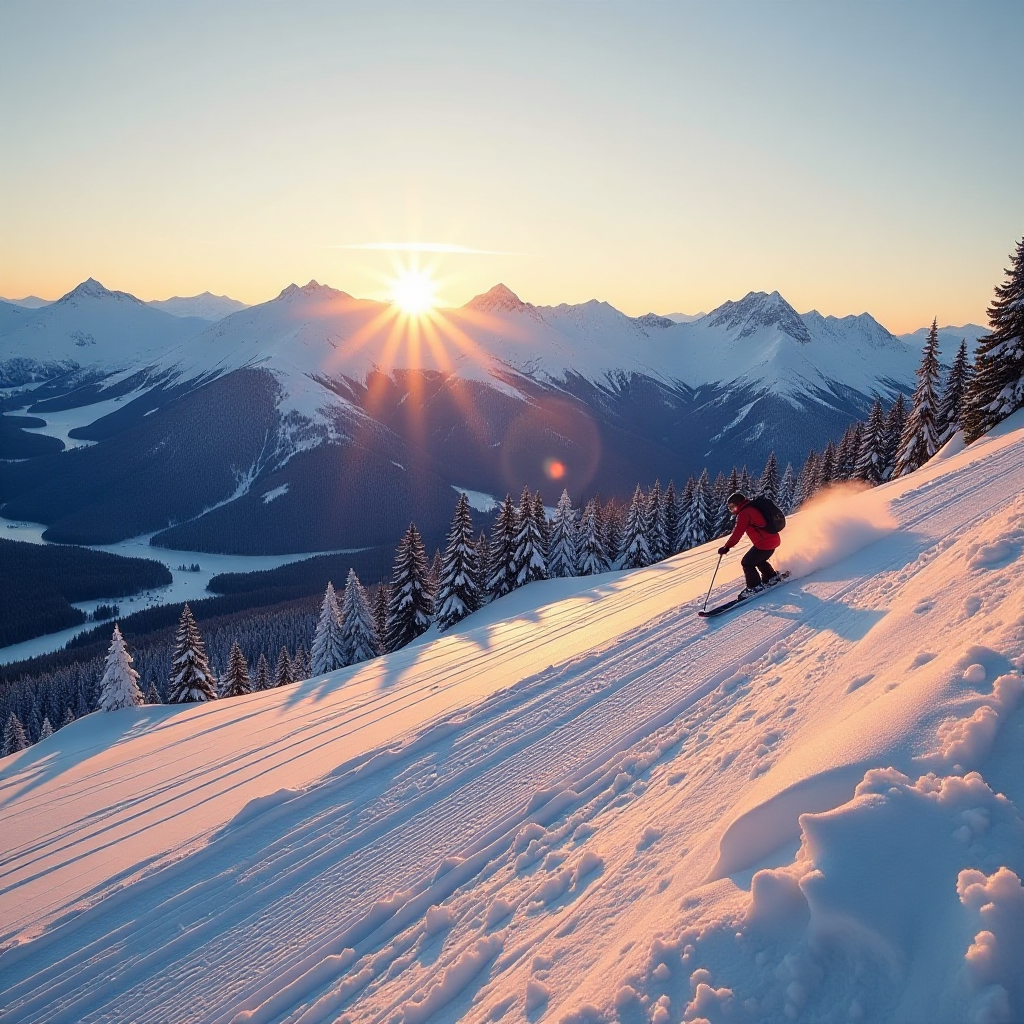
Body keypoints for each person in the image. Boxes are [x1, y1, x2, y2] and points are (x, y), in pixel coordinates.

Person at [717, 490, 781, 597]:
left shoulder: (744, 513)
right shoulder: (751, 508)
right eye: (730, 508)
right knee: (758, 559)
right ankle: (771, 577)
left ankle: (754, 587)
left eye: (732, 506)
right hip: (773, 540)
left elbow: (737, 533)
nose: (732, 510)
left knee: (747, 563)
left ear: (738, 503)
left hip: (764, 543)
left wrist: (726, 547)